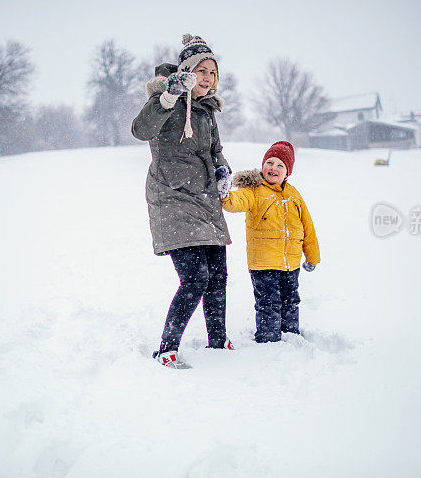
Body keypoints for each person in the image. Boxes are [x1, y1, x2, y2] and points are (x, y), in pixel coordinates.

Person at [131, 34, 234, 369]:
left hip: (205, 199)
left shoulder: (206, 111)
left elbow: (215, 151)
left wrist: (222, 170)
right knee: (195, 278)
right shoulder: (168, 100)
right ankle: (166, 347)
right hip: (173, 197)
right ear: (187, 72)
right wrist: (168, 97)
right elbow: (140, 130)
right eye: (201, 71)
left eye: (213, 73)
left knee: (218, 274)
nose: (208, 78)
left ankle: (217, 339)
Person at [220, 141, 320, 343]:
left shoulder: (294, 195)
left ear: (287, 172)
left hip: (290, 263)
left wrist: (312, 256)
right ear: (263, 165)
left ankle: (291, 336)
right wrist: (224, 193)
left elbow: (307, 226)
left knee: (291, 301)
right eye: (269, 162)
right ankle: (268, 339)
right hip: (263, 263)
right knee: (268, 302)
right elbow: (235, 202)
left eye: (280, 165)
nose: (273, 168)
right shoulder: (254, 191)